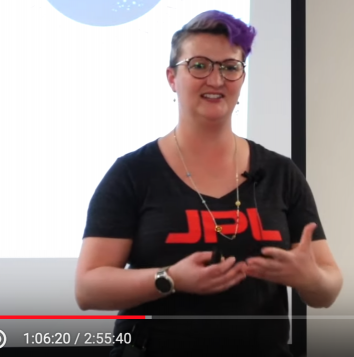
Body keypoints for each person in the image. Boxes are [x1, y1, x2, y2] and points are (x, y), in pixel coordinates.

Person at [75, 10, 343, 357]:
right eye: (199, 65)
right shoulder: (133, 173)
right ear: (172, 78)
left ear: (242, 78)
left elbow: (328, 290)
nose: (216, 80)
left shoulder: (281, 173)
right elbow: (88, 288)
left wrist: (308, 277)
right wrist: (169, 279)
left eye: (230, 67)